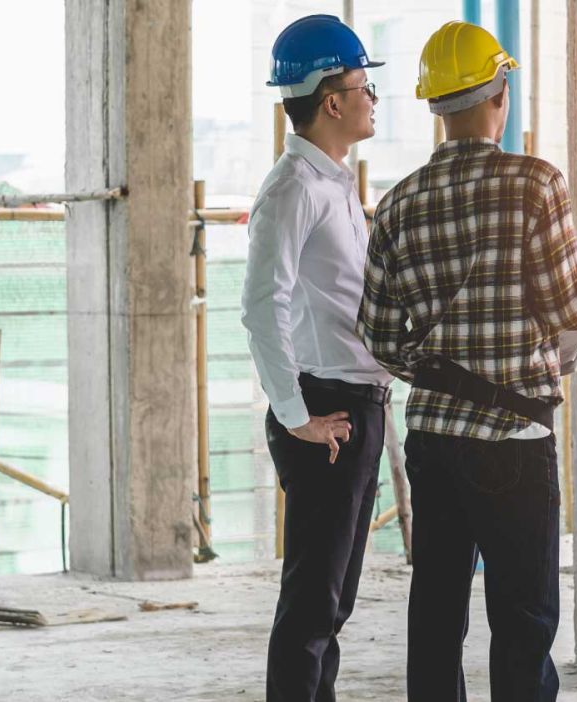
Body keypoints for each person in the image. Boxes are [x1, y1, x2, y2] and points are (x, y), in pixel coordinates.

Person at [358, 20, 577, 701]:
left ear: (436, 108)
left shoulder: (397, 203)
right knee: (522, 620)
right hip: (513, 443)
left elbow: (375, 333)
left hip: (432, 438)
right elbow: (567, 305)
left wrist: (439, 367)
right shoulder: (534, 183)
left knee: (434, 613)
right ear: (501, 94)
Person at [239, 14, 390, 701]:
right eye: (364, 85)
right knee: (310, 611)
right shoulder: (293, 188)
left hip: (356, 407)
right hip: (324, 410)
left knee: (332, 609)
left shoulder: (335, 184)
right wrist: (295, 414)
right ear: (332, 100)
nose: (372, 99)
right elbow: (261, 306)